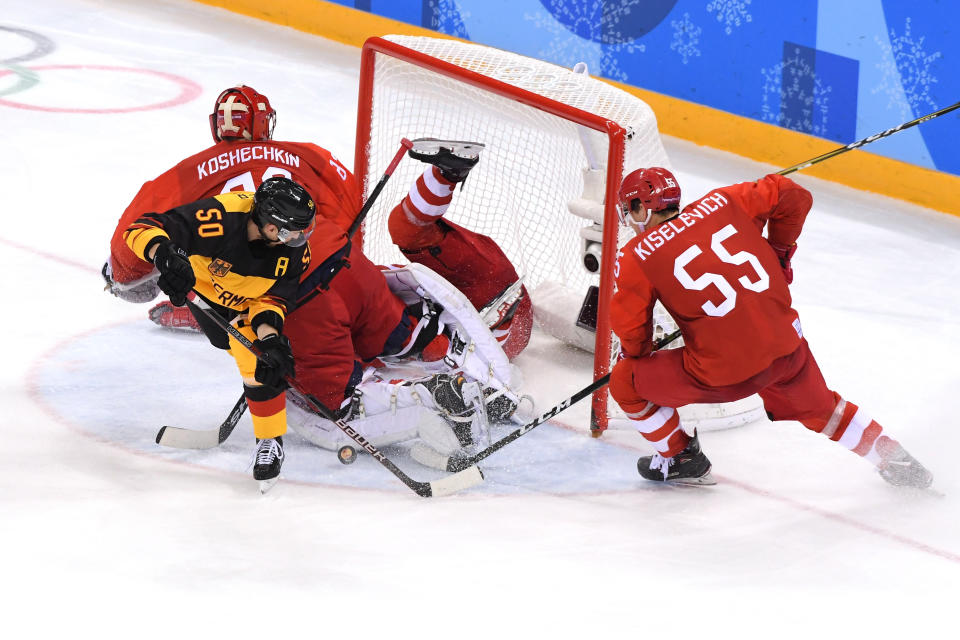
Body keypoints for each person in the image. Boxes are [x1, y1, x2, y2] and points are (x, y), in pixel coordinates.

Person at [608, 167, 933, 489]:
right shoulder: (726, 201)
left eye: (629, 209)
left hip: (722, 373)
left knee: (626, 382)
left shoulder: (636, 255)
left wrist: (638, 357)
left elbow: (632, 333)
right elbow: (793, 194)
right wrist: (780, 252)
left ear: (640, 206)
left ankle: (680, 458)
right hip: (786, 351)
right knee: (825, 411)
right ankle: (898, 462)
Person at [284, 140, 533, 461]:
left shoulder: (326, 315)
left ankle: (474, 391)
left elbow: (469, 350)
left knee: (423, 353)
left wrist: (497, 395)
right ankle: (446, 173)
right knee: (402, 230)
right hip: (485, 285)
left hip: (500, 318)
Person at [103, 85, 360, 328]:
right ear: (261, 123)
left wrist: (124, 274)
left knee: (189, 239)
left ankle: (207, 309)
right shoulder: (309, 154)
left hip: (231, 284)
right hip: (309, 274)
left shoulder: (194, 169)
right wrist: (351, 254)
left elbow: (143, 218)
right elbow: (347, 203)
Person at [123, 176, 320, 490]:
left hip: (248, 303)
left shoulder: (295, 252)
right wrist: (164, 256)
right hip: (202, 292)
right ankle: (251, 377)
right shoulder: (218, 219)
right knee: (223, 342)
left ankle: (270, 438)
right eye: (292, 230)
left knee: (256, 357)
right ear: (270, 224)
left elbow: (271, 301)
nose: (299, 238)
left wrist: (270, 340)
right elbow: (139, 228)